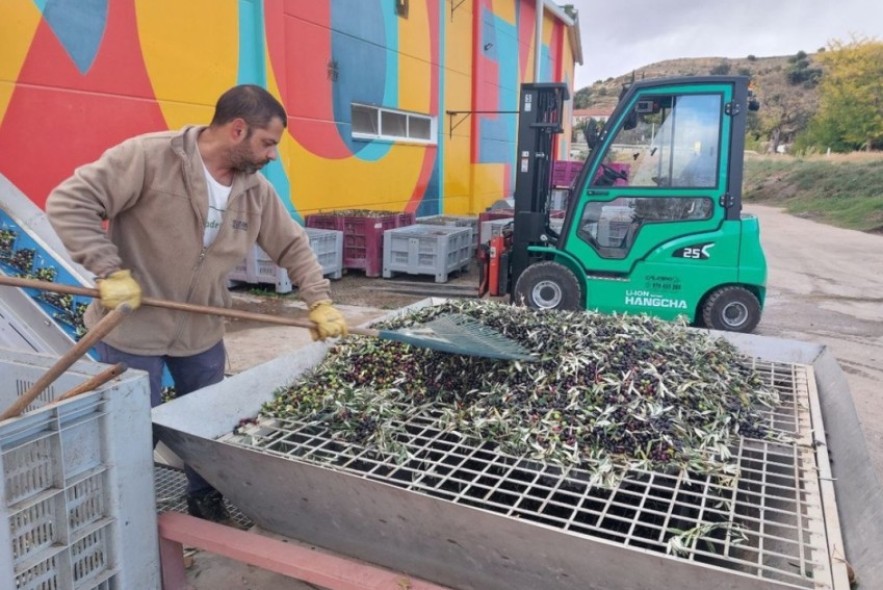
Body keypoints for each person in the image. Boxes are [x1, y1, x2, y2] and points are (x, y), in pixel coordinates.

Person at [46, 84, 348, 523]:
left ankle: (204, 497)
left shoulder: (254, 191)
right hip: (134, 330)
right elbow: (69, 202)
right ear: (237, 130)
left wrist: (319, 302)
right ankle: (123, 514)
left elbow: (293, 246)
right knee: (133, 430)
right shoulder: (150, 158)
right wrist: (109, 269)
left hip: (201, 331)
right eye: (268, 143)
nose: (273, 155)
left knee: (209, 425)